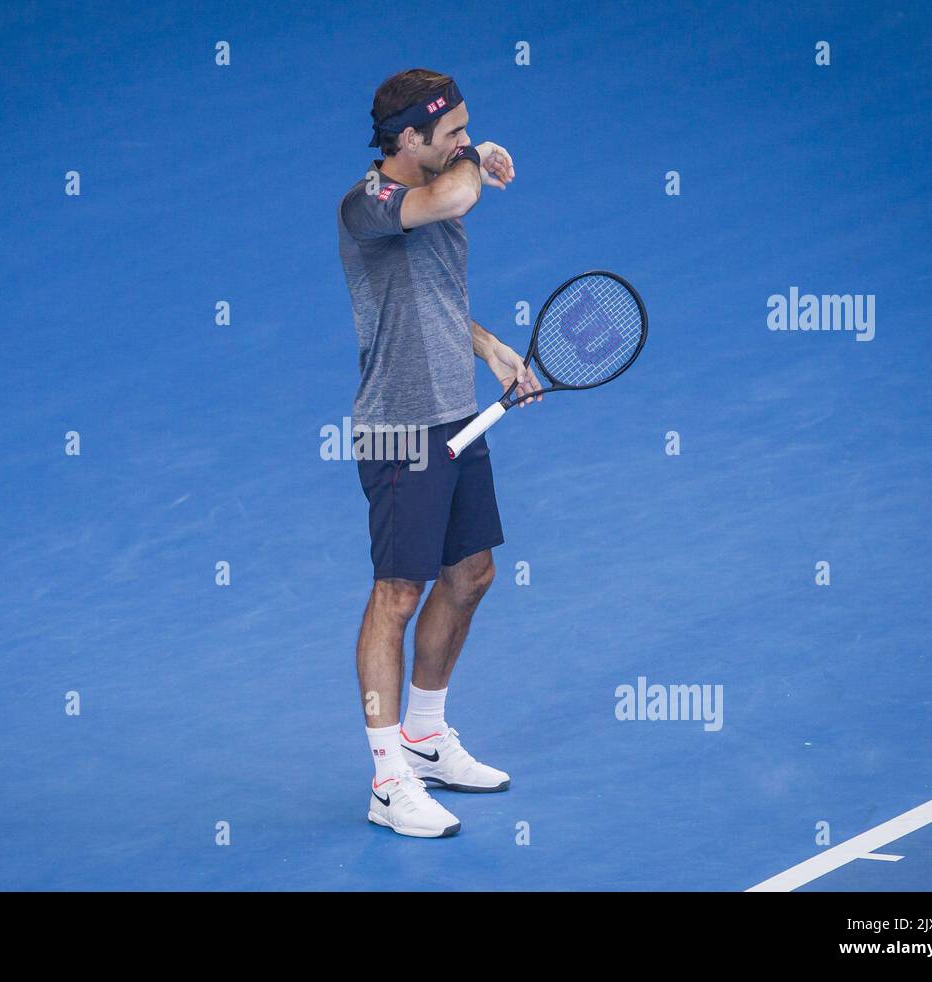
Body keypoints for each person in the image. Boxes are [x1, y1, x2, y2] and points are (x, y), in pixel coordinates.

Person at [336, 68, 541, 837]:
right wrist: (473, 159)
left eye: (466, 126)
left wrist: (489, 349)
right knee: (397, 594)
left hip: (458, 412)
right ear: (409, 140)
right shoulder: (368, 205)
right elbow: (452, 196)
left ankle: (423, 737)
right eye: (448, 129)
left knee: (471, 574)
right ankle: (387, 781)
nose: (462, 138)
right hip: (400, 429)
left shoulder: (433, 180)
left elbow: (435, 298)